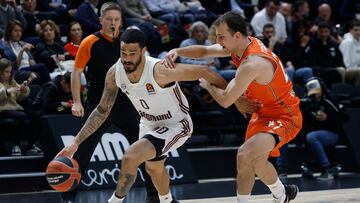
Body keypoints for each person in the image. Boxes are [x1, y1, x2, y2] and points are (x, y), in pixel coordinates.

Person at [57, 28, 227, 203]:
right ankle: (168, 200)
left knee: (130, 157)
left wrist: (232, 98)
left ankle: (114, 201)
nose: (127, 58)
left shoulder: (160, 70)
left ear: (143, 52)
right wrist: (76, 143)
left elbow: (206, 72)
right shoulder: (115, 72)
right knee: (154, 168)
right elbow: (102, 110)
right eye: (123, 52)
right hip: (148, 124)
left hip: (176, 124)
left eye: (132, 53)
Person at [163, 11, 302, 203]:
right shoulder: (242, 44)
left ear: (236, 35)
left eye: (221, 36)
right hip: (262, 111)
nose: (218, 40)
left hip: (284, 115)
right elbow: (205, 51)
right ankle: (282, 194)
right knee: (257, 162)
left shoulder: (252, 63)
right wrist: (178, 51)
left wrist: (208, 85)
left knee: (244, 155)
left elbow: (226, 101)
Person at [66, 2, 158, 203]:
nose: (113, 23)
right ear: (100, 20)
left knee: (144, 151)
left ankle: (154, 197)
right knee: (83, 152)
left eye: (116, 19)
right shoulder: (90, 41)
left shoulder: (129, 42)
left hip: (128, 105)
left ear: (121, 21)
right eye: (108, 19)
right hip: (99, 106)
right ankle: (68, 197)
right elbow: (76, 73)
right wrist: (76, 102)